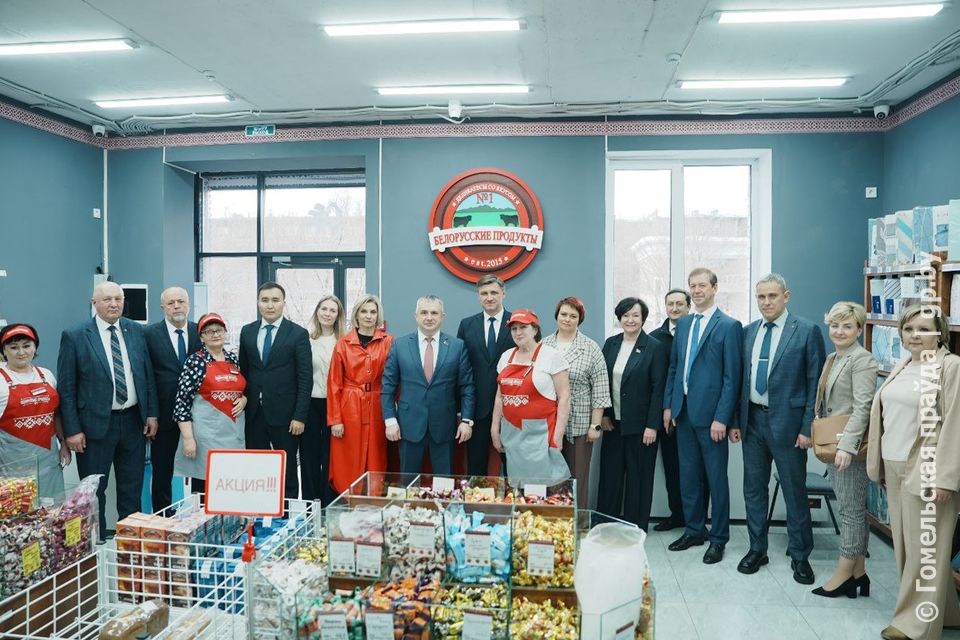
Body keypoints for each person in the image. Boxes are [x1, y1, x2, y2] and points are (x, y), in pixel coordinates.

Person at [867, 305, 960, 640]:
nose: (915, 335)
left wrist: (946, 478)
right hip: (895, 466)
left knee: (925, 550)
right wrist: (880, 466)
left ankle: (915, 625)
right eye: (908, 329)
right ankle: (948, 613)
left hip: (929, 469)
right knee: (911, 548)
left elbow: (956, 424)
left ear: (940, 334)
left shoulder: (951, 366)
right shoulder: (904, 364)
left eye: (924, 329)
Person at [735, 274, 825, 585]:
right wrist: (735, 422)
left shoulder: (806, 331)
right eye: (761, 297)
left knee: (794, 491)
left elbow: (815, 383)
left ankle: (800, 555)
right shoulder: (748, 332)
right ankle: (757, 549)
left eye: (772, 296)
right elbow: (741, 381)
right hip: (752, 422)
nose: (766, 302)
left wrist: (807, 427)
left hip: (789, 425)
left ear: (786, 296)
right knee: (753, 489)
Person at [58, 281, 158, 538]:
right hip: (93, 427)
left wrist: (151, 413)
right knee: (93, 491)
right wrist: (72, 430)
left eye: (118, 299)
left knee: (131, 488)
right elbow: (67, 388)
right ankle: (97, 542)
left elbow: (146, 375)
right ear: (94, 303)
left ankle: (129, 543)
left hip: (133, 422)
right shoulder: (75, 335)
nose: (114, 304)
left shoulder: (136, 330)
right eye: (107, 299)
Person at [663, 268, 742, 565]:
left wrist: (723, 418)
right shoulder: (683, 324)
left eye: (702, 286)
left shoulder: (729, 326)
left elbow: (732, 378)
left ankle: (718, 538)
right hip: (683, 414)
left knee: (716, 480)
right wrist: (670, 406)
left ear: (714, 288)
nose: (696, 291)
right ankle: (694, 530)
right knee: (689, 478)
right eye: (692, 286)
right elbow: (674, 367)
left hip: (712, 420)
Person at [812, 302, 878, 598]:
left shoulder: (862, 360)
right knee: (852, 509)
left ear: (859, 330)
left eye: (847, 326)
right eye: (835, 325)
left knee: (850, 512)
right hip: (834, 442)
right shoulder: (833, 358)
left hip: (848, 447)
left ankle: (843, 574)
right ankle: (858, 572)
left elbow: (863, 408)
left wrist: (847, 447)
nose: (839, 331)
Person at [381, 295, 476, 475]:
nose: (429, 317)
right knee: (409, 483)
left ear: (443, 316)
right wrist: (390, 420)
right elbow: (388, 387)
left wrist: (466, 421)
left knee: (444, 483)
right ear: (416, 316)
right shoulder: (400, 345)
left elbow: (467, 387)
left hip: (444, 427)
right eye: (424, 312)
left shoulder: (457, 346)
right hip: (408, 426)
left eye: (434, 313)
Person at [597, 298, 668, 530]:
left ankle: (634, 526)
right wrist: (603, 415)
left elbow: (659, 388)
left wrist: (653, 425)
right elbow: (602, 381)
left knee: (639, 479)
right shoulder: (611, 343)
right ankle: (606, 523)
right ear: (619, 318)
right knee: (610, 477)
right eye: (626, 315)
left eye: (635, 315)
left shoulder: (654, 347)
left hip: (642, 427)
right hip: (613, 424)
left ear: (643, 319)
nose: (630, 320)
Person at [238, 282, 312, 500]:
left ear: (283, 303)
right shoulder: (247, 331)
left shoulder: (298, 334)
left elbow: (305, 378)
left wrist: (300, 416)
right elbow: (244, 372)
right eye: (265, 300)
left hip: (286, 416)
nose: (270, 305)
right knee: (256, 469)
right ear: (258, 302)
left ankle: (287, 516)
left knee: (287, 471)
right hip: (254, 413)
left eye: (275, 300)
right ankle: (258, 512)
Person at [542, 296, 610, 507]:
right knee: (551, 477)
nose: (567, 319)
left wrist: (595, 425)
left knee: (577, 478)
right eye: (564, 314)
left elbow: (600, 389)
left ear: (580, 319)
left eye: (573, 316)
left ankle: (578, 521)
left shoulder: (590, 348)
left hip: (579, 425)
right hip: (548, 423)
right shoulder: (543, 345)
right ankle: (553, 520)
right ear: (556, 316)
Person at [491, 310, 571, 485]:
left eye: (523, 327)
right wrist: (494, 429)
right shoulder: (506, 357)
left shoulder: (551, 356)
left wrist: (558, 436)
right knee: (516, 488)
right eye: (514, 329)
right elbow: (499, 397)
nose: (518, 332)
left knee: (543, 488)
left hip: (541, 435)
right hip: (511, 434)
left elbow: (564, 397)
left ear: (535, 329)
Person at [172, 314, 246, 492]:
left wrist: (244, 399)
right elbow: (182, 404)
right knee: (205, 490)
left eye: (219, 330)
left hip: (233, 435)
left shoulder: (233, 359)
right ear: (201, 337)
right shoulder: (195, 362)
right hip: (204, 438)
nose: (215, 334)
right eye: (209, 331)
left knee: (230, 487)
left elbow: (241, 390)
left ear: (225, 333)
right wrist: (188, 439)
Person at [328, 294, 393, 494]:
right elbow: (334, 384)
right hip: (350, 408)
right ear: (356, 315)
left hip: (378, 407)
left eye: (373, 312)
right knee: (348, 459)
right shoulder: (343, 343)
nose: (368, 316)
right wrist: (335, 420)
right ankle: (349, 499)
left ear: (378, 315)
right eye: (364, 311)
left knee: (376, 457)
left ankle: (374, 500)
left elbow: (394, 379)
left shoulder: (388, 342)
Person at [144, 287, 201, 513]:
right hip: (163, 414)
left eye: (180, 301)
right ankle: (162, 517)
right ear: (162, 307)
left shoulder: (200, 331)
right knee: (162, 470)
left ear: (188, 304)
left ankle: (201, 514)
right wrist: (151, 414)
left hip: (198, 415)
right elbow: (146, 377)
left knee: (200, 470)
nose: (176, 306)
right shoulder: (149, 334)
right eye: (170, 303)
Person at [0, 324, 70, 498]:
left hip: (49, 460)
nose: (21, 352)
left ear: (35, 347)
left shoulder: (46, 375)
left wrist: (63, 444)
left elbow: (56, 414)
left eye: (26, 346)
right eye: (14, 347)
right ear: (4, 350)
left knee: (51, 508)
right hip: (12, 462)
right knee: (17, 510)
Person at [457, 275, 514, 476]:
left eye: (494, 293)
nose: (489, 297)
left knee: (512, 465)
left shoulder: (516, 323)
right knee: (476, 466)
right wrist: (462, 411)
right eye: (484, 293)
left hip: (510, 409)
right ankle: (476, 498)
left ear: (503, 294)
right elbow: (462, 370)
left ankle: (514, 497)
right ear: (478, 296)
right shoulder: (466, 325)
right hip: (477, 408)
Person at [649, 288, 691, 531]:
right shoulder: (655, 339)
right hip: (666, 414)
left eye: (679, 304)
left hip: (693, 412)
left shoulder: (697, 333)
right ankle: (677, 515)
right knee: (672, 467)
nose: (674, 308)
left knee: (696, 470)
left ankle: (695, 519)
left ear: (688, 307)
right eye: (670, 304)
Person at [305, 294, 345, 505]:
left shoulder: (344, 342)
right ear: (317, 312)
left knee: (331, 456)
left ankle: (329, 503)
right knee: (309, 456)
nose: (328, 314)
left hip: (336, 405)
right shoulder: (306, 340)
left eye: (332, 310)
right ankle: (310, 503)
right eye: (324, 309)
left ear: (338, 315)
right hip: (311, 403)